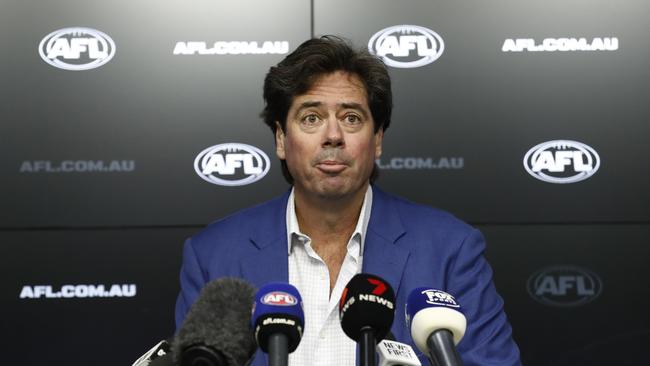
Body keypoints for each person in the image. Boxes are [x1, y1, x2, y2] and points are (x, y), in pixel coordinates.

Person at [175, 36, 521, 365]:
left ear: (378, 139)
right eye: (311, 118)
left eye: (351, 118)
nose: (333, 136)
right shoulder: (214, 255)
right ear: (281, 139)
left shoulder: (449, 249)